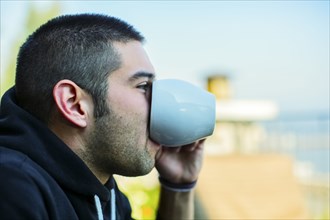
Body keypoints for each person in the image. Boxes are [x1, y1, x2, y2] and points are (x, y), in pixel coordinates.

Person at [0, 13, 205, 220]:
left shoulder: (104, 192)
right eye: (143, 86)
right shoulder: (12, 189)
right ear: (74, 104)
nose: (159, 103)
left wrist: (178, 185)